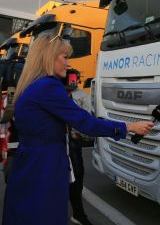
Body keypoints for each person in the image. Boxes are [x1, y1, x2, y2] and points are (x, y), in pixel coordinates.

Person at [2, 33, 154, 225]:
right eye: (65, 57)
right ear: (49, 57)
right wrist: (129, 126)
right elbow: (87, 123)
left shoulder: (30, 86)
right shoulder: (47, 87)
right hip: (45, 167)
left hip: (30, 163)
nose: (68, 64)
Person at [63, 69, 94, 225]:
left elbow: (87, 118)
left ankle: (78, 212)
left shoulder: (82, 95)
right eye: (70, 78)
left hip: (73, 143)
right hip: (60, 143)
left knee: (77, 176)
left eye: (75, 79)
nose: (72, 81)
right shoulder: (56, 95)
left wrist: (77, 133)